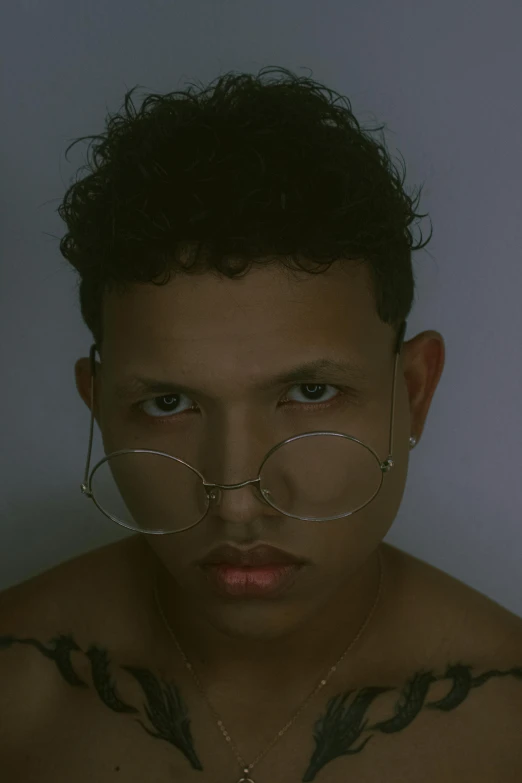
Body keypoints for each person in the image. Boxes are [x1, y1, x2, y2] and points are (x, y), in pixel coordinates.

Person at [0, 66, 521, 782]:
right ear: (98, 403)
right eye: (167, 404)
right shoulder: (18, 693)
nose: (237, 500)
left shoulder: (506, 726)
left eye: (311, 391)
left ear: (414, 392)